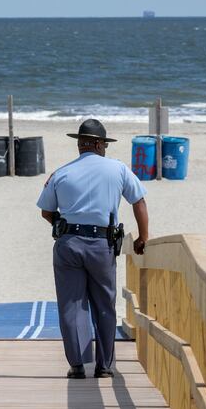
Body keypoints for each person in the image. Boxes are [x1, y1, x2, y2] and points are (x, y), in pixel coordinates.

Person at [36, 118, 149, 379]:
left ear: (80, 144)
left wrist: (63, 226)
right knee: (104, 305)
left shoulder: (61, 172)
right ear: (99, 144)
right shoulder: (118, 169)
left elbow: (46, 212)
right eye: (104, 145)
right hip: (102, 244)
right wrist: (143, 237)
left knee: (71, 305)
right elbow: (139, 201)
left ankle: (77, 365)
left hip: (69, 244)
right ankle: (104, 365)